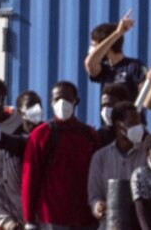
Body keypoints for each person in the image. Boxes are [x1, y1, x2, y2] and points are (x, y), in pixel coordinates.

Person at [22, 81, 98, 230]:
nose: (62, 103)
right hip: (52, 217)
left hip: (85, 218)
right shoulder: (40, 135)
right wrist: (29, 219)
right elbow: (30, 177)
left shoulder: (89, 135)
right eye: (57, 99)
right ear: (51, 103)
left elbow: (98, 176)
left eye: (68, 98)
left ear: (76, 101)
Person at [87, 101, 145, 227]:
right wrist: (98, 206)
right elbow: (94, 196)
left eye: (139, 123)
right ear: (119, 126)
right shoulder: (100, 158)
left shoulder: (147, 155)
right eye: (132, 124)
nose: (138, 128)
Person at [85, 16, 151, 110]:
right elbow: (89, 63)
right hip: (110, 124)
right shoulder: (104, 70)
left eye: (94, 46)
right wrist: (117, 33)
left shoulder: (134, 67)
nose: (92, 50)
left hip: (130, 123)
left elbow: (148, 103)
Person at [95, 83, 132, 148]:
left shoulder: (136, 132)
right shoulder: (99, 135)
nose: (106, 109)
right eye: (103, 105)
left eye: (110, 105)